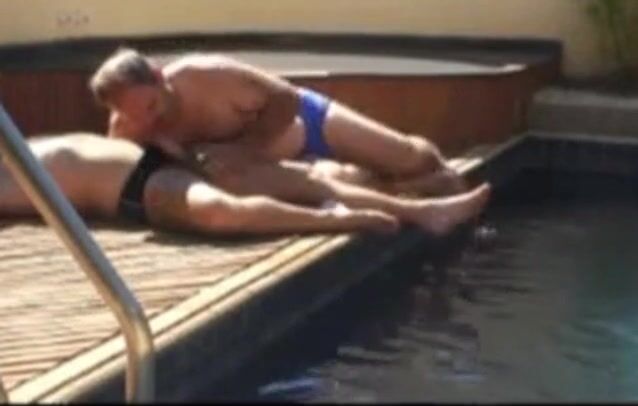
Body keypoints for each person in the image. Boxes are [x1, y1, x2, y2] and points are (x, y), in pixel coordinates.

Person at [88, 48, 465, 197]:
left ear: (158, 76)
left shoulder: (207, 75)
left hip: (303, 121)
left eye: (152, 106)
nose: (149, 120)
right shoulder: (127, 129)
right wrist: (173, 158)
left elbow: (287, 98)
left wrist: (242, 149)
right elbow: (124, 184)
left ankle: (435, 173)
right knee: (354, 184)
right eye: (135, 115)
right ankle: (392, 187)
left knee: (413, 159)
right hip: (273, 170)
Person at [0, 133, 490, 236]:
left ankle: (421, 196)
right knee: (221, 213)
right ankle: (338, 221)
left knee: (313, 176)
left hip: (157, 160)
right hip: (137, 187)